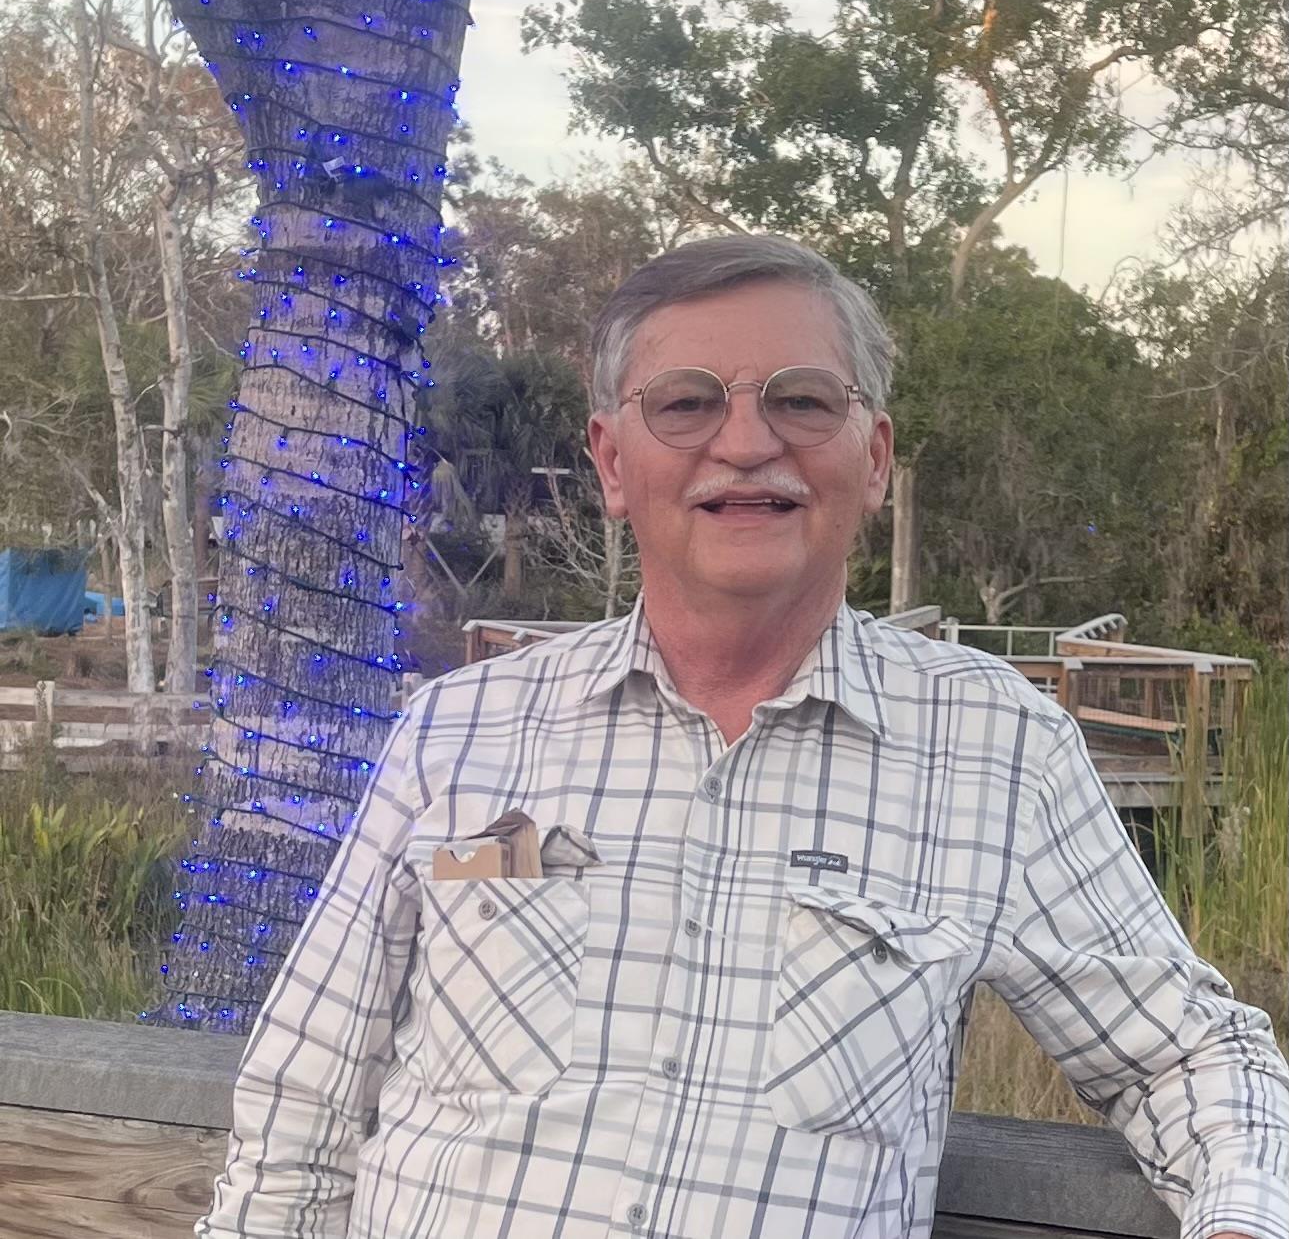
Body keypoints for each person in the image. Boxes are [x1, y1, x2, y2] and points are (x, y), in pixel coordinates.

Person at [200, 235, 1289, 1239]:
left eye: (801, 400)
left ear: (871, 458)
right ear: (612, 464)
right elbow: (307, 1090)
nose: (745, 442)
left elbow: (1190, 1055)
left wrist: (1237, 1219)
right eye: (682, 403)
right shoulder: (460, 730)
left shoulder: (995, 748)